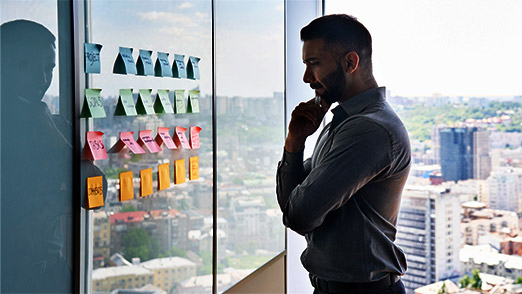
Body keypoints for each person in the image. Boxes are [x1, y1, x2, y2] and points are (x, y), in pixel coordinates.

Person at [276, 14, 411, 294]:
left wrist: (296, 155)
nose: (306, 78)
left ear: (350, 63)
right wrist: (294, 141)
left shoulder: (368, 129)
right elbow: (294, 203)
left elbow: (299, 215)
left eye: (314, 64)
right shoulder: (344, 123)